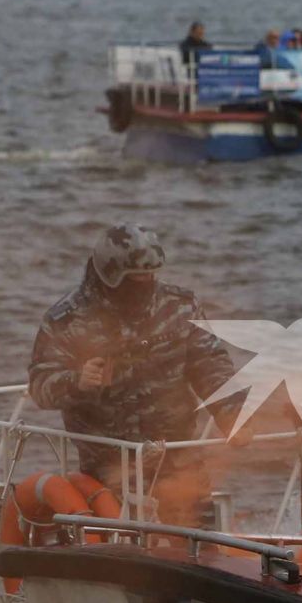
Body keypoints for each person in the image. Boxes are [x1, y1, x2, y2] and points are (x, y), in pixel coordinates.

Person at [28, 225, 236, 528]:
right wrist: (77, 381)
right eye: (136, 280)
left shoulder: (179, 307)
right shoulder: (67, 319)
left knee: (200, 544)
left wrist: (231, 412)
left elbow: (210, 363)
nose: (146, 285)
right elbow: (39, 384)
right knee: (124, 551)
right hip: (108, 466)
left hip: (176, 455)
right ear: (111, 275)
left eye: (150, 277)